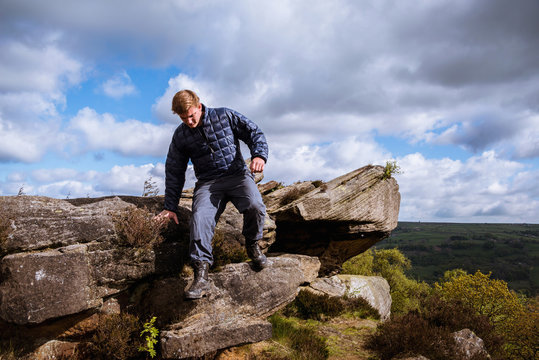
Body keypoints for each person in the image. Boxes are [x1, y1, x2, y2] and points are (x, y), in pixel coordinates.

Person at [156, 89, 269, 299]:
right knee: (199, 219)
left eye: (191, 115)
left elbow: (254, 133)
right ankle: (201, 275)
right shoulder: (180, 135)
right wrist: (170, 206)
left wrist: (259, 155)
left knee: (255, 206)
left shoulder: (224, 115)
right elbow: (174, 170)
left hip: (238, 176)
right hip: (208, 183)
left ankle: (253, 246)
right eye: (183, 118)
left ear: (199, 107)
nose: (189, 121)